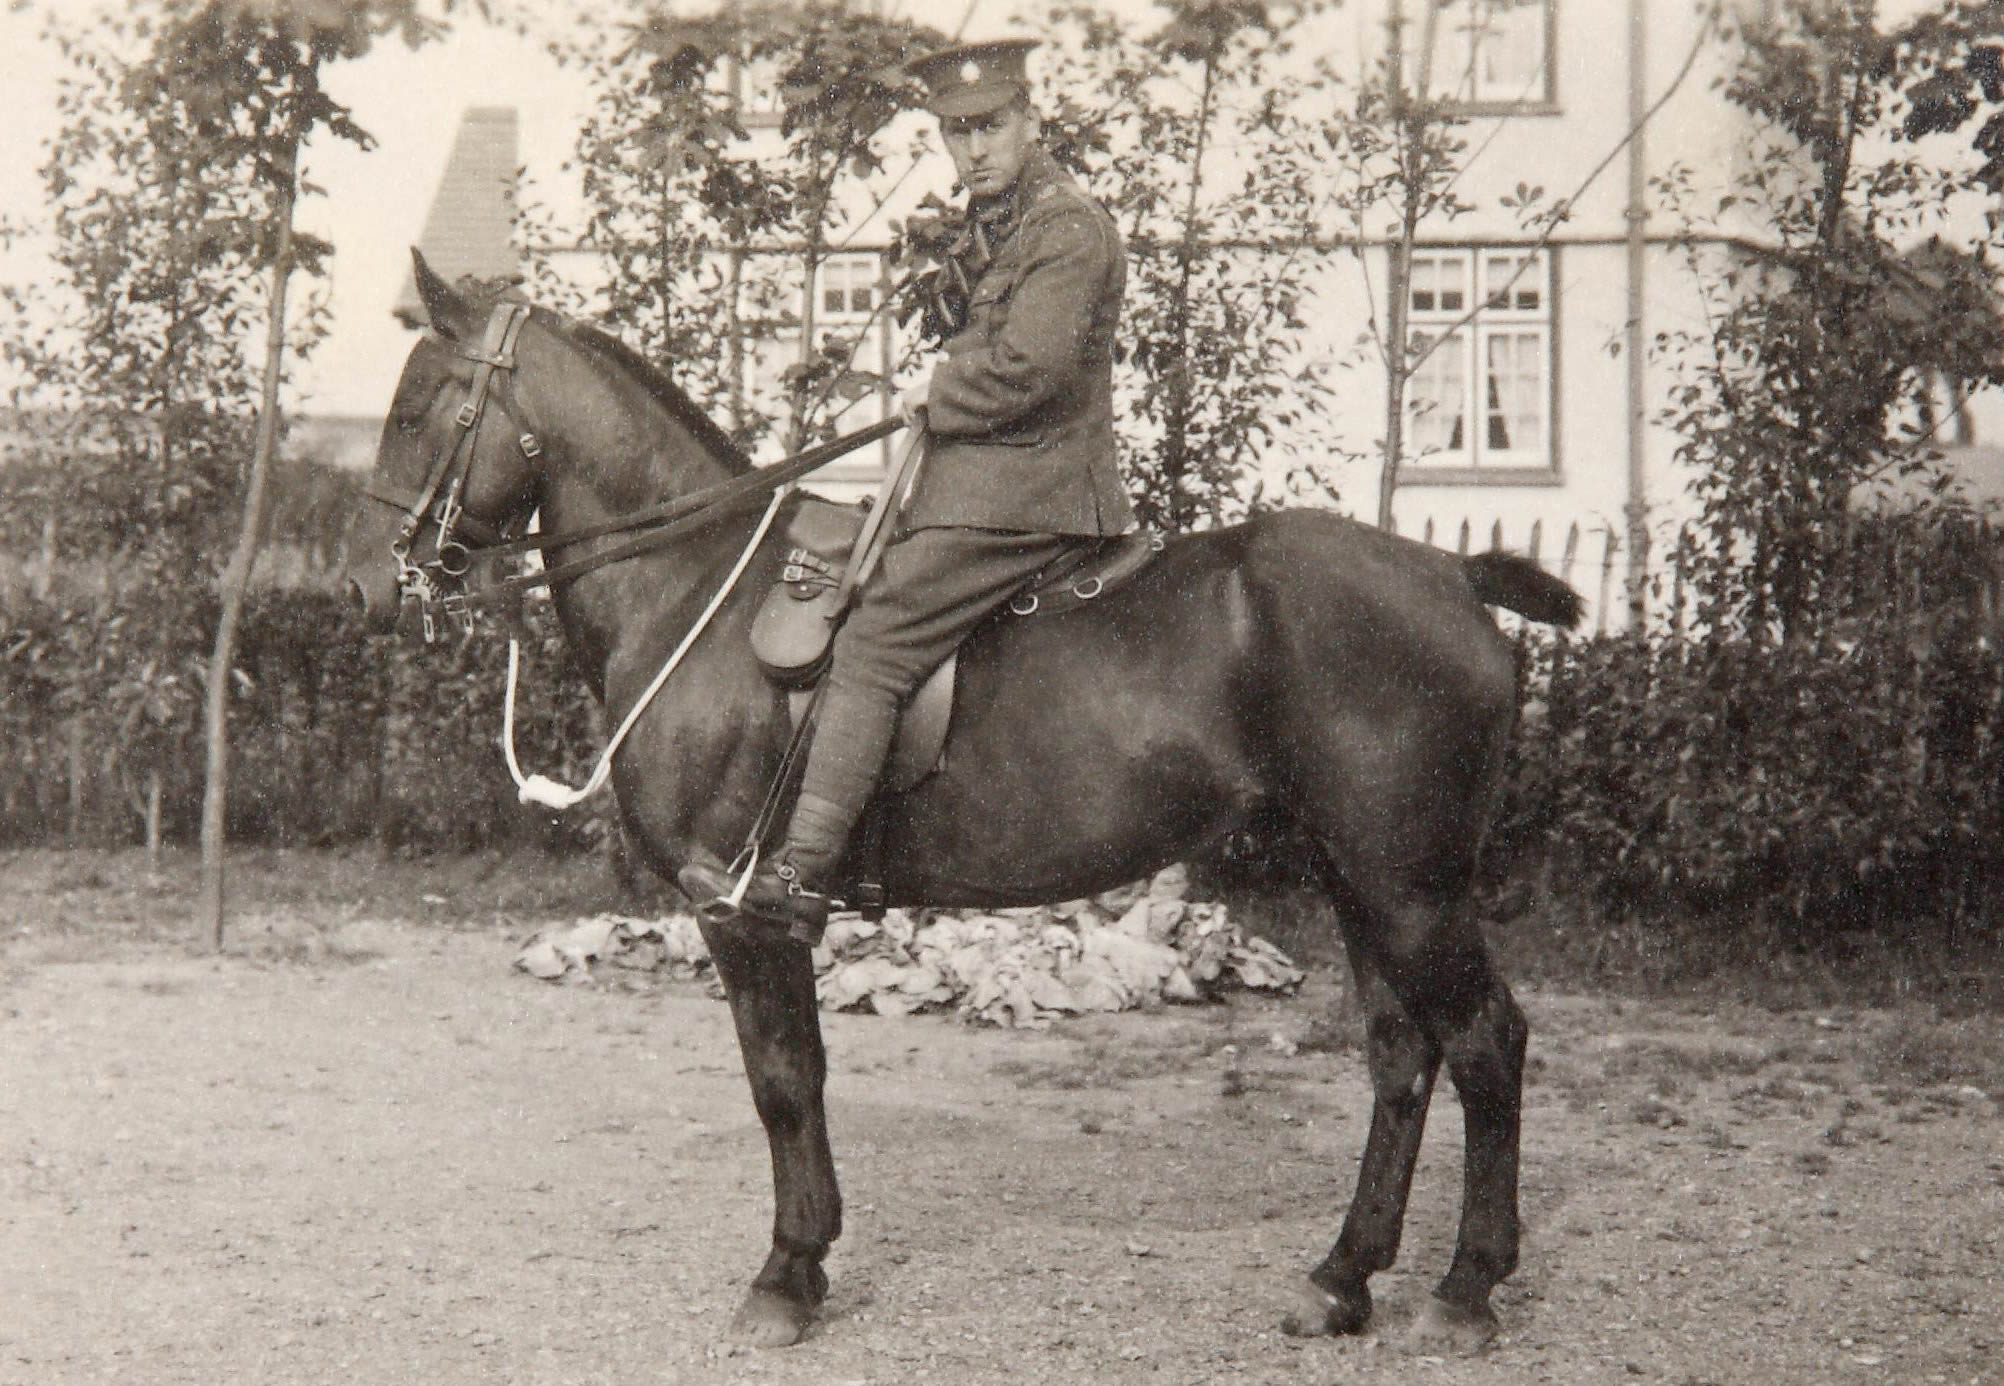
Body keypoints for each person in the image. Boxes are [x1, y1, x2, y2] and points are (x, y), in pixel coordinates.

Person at [682, 37, 1135, 941]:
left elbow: (1029, 370)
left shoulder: (1065, 227)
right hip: (984, 484)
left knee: (876, 645)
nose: (974, 149)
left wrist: (933, 389)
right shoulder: (1011, 222)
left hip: (1030, 493)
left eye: (992, 127)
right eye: (956, 132)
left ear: (1030, 121)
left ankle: (803, 873)